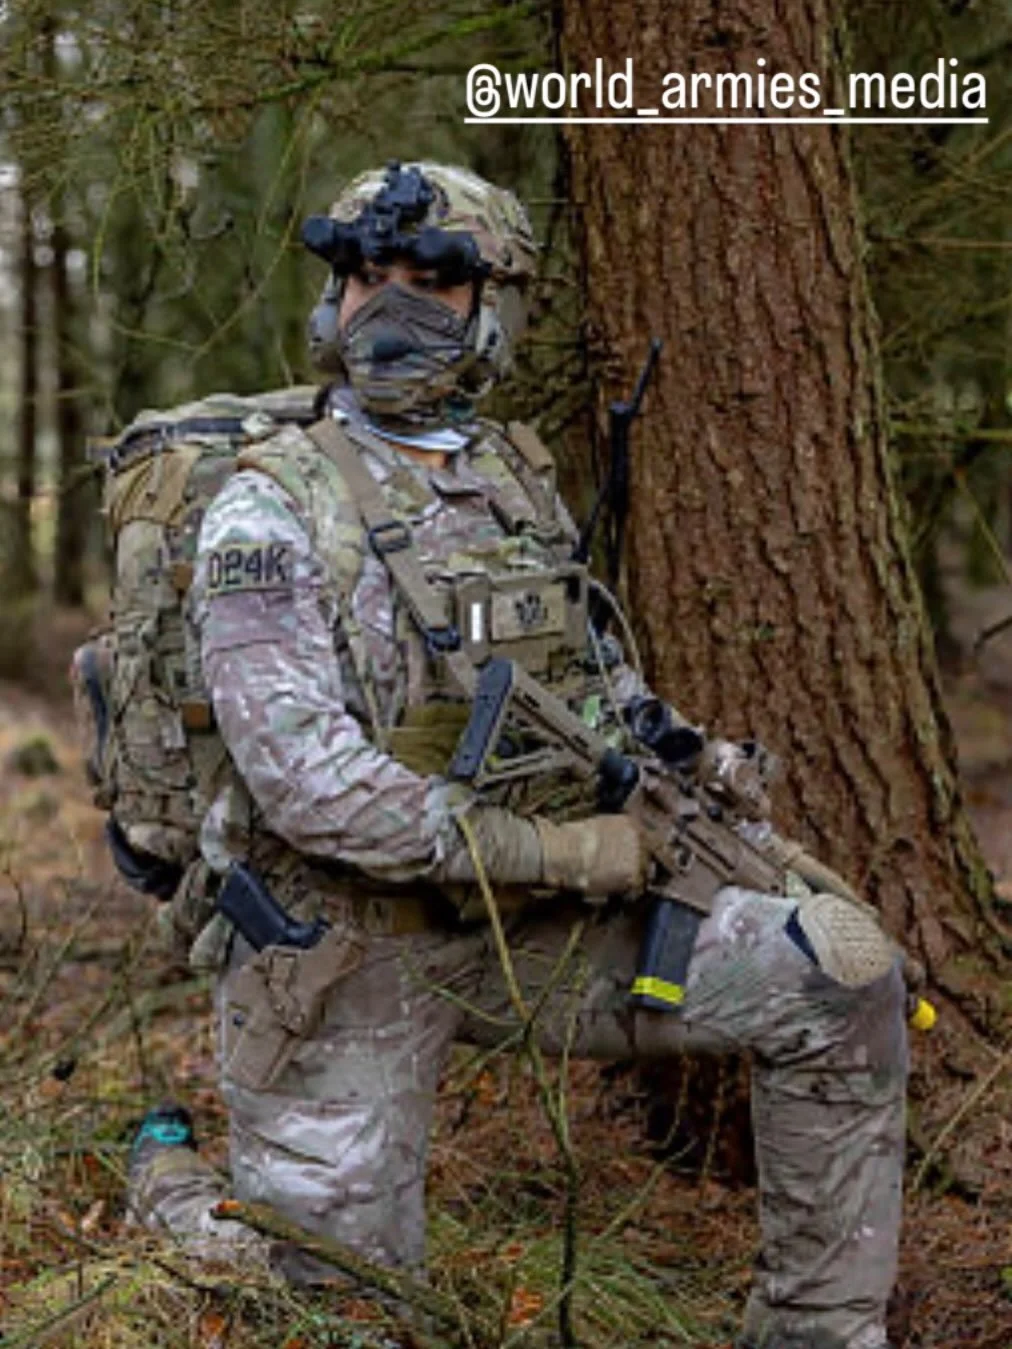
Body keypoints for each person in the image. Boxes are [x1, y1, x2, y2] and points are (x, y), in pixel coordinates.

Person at [127, 161, 908, 1349]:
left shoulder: (511, 479)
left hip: (528, 926)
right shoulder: (269, 507)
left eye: (431, 284)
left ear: (495, 308)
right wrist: (556, 845)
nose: (387, 306)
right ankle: (178, 1193)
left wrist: (674, 773)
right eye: (363, 277)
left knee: (839, 973)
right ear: (328, 302)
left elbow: (590, 682)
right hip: (341, 947)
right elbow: (307, 785)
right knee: (336, 1311)